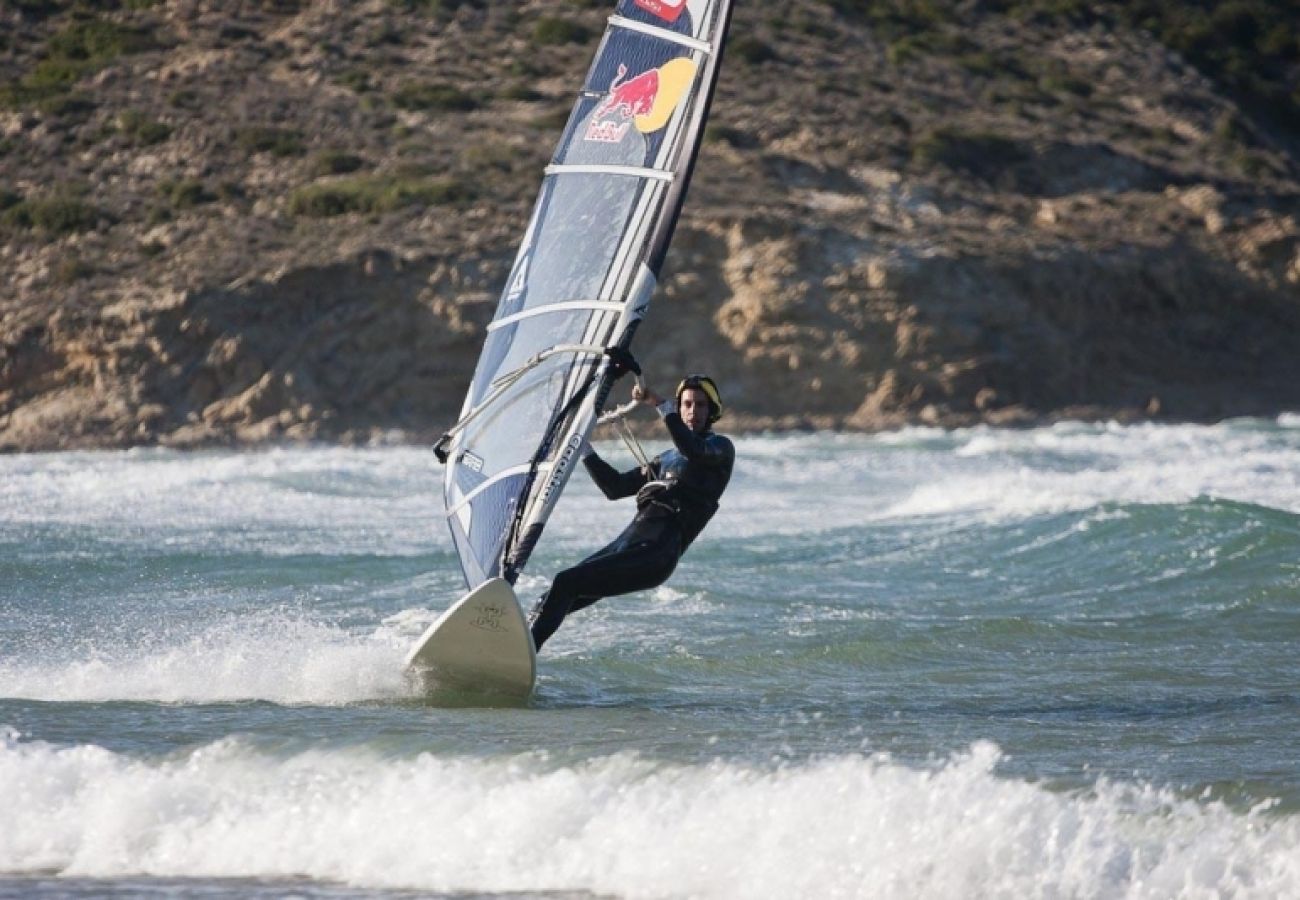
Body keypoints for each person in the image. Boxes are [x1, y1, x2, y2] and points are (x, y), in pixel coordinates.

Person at [529, 374, 735, 651]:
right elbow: (614, 488)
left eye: (700, 405)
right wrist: (582, 447)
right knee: (554, 595)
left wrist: (660, 404)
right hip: (626, 545)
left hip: (656, 553)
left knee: (566, 582)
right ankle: (515, 642)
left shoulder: (720, 449)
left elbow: (694, 450)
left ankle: (526, 648)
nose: (692, 411)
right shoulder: (665, 460)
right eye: (686, 404)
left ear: (712, 411)